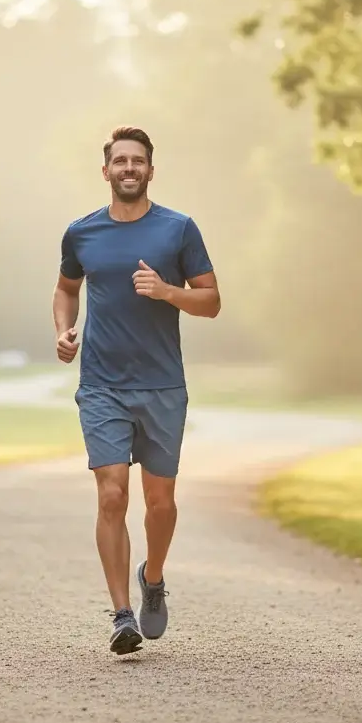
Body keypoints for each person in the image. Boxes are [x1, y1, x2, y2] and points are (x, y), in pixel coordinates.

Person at [52, 126, 221, 655]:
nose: (129, 168)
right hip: (102, 383)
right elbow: (65, 289)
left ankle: (154, 575)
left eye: (138, 161)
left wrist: (167, 291)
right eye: (119, 161)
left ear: (151, 170)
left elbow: (211, 301)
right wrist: (64, 329)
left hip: (163, 384)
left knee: (161, 502)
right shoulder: (81, 234)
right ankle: (122, 614)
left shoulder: (178, 230)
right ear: (105, 171)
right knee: (111, 494)